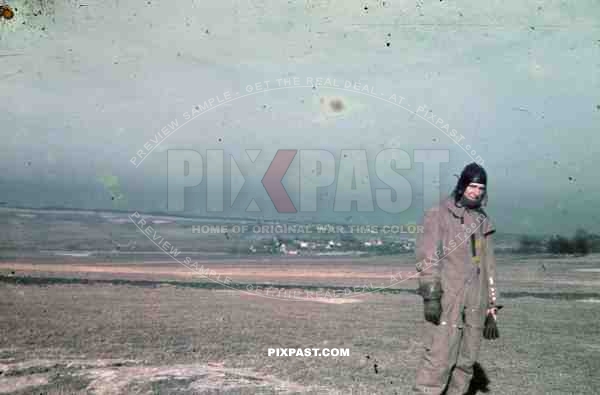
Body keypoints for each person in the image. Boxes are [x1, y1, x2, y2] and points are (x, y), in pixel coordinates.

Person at [413, 162, 501, 395]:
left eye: (481, 187)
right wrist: (431, 296)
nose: (477, 191)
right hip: (448, 298)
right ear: (462, 185)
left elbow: (488, 265)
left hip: (476, 300)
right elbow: (428, 257)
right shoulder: (439, 214)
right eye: (472, 185)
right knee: (439, 359)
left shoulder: (482, 220)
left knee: (466, 362)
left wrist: (492, 305)